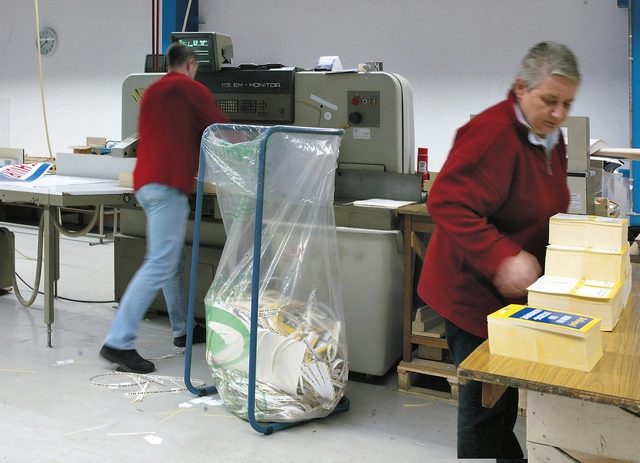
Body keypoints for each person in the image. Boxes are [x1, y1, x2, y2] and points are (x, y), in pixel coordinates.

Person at [417, 41, 580, 459]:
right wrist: (500, 255)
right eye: (550, 100)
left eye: (567, 102)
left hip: (509, 298)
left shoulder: (549, 137)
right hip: (471, 292)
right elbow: (446, 201)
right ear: (522, 87)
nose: (559, 113)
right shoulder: (492, 133)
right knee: (484, 408)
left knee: (503, 401)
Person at [100, 42, 229, 374]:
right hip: (168, 185)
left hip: (145, 183)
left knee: (171, 259)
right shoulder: (191, 88)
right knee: (159, 262)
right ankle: (119, 341)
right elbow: (220, 130)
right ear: (189, 65)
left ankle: (183, 330)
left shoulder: (152, 91)